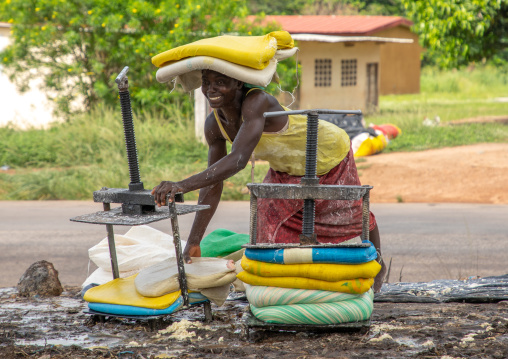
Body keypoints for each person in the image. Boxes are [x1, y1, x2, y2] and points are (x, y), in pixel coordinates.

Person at [152, 70, 387, 292]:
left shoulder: (257, 101)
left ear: (238, 82)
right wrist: (194, 241)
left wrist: (181, 185)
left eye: (220, 82)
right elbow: (213, 182)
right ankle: (282, 282)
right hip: (287, 166)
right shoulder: (214, 124)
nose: (211, 89)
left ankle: (377, 263)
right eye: (206, 81)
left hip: (326, 150)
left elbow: (238, 160)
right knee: (267, 217)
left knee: (350, 212)